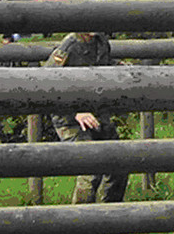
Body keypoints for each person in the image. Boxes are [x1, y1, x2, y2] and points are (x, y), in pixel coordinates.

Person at [45, 31, 129, 208]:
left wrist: (121, 68)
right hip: (68, 117)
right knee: (89, 169)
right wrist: (76, 112)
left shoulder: (101, 42)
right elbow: (48, 82)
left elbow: (103, 65)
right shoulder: (69, 46)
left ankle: (110, 217)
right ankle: (80, 226)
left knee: (119, 162)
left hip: (95, 113)